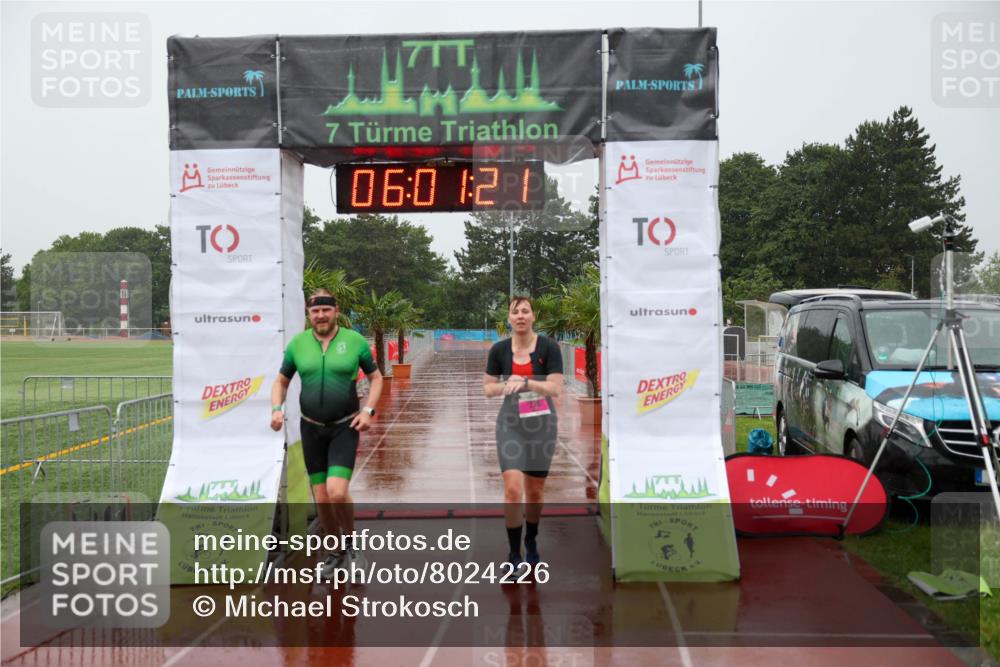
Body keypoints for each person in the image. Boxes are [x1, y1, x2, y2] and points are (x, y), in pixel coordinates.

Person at [270, 289, 383, 575]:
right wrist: (276, 407)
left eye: (326, 310)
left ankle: (354, 545)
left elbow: (376, 378)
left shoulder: (354, 341)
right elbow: (281, 381)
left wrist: (368, 411)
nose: (320, 315)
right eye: (315, 311)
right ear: (308, 314)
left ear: (336, 310)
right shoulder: (298, 344)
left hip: (344, 427)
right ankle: (336, 550)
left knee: (336, 491)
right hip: (311, 429)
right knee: (321, 497)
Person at [484, 296, 563, 569]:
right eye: (515, 312)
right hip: (510, 424)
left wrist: (528, 382)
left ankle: (531, 539)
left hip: (542, 426)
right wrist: (507, 386)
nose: (520, 316)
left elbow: (555, 388)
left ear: (533, 317)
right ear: (509, 318)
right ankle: (514, 554)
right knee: (513, 490)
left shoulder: (549, 347)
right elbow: (488, 388)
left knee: (535, 492)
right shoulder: (499, 350)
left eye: (525, 311)